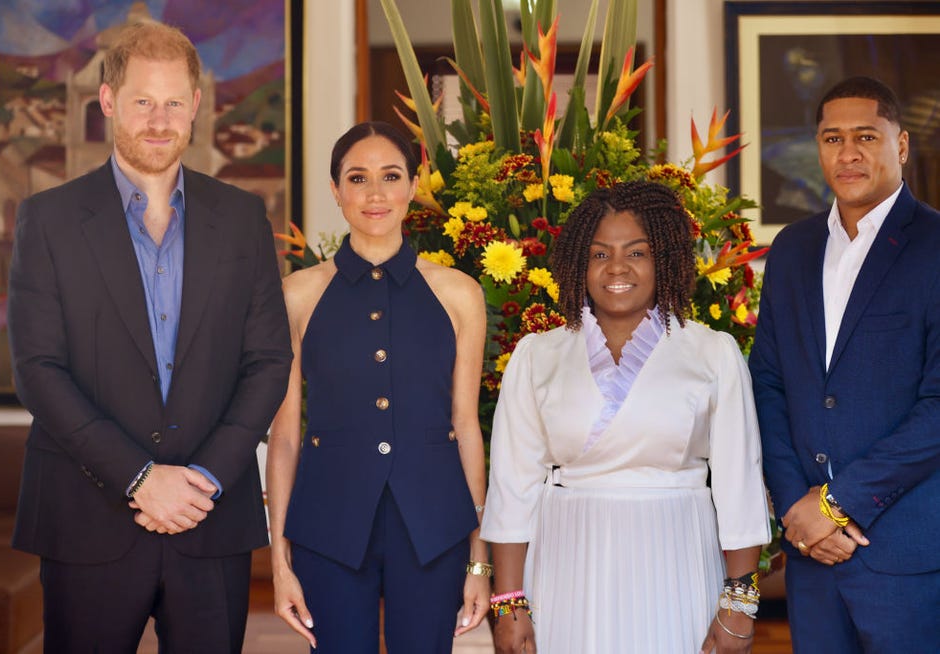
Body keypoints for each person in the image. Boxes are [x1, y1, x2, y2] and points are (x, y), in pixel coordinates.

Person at [6, 21, 292, 652]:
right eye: (142, 102)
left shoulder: (243, 219)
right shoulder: (48, 219)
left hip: (209, 518)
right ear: (107, 101)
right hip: (85, 519)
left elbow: (269, 360)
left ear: (195, 105)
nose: (158, 121)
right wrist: (141, 477)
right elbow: (38, 368)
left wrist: (203, 480)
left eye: (173, 103)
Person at [482, 181, 772, 654]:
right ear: (579, 263)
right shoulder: (538, 355)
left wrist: (739, 602)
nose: (617, 268)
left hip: (677, 556)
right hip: (565, 564)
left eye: (637, 252)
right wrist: (509, 601)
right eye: (599, 255)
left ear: (665, 260)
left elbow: (739, 485)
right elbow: (513, 487)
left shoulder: (711, 353)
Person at [265, 121, 490, 653]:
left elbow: (467, 427)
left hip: (435, 530)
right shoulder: (296, 295)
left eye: (390, 176)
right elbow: (285, 437)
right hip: (328, 527)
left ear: (414, 185)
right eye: (357, 178)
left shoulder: (460, 294)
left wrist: (479, 560)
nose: (375, 193)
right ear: (336, 191)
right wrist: (279, 561)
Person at [749, 76, 940, 653]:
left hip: (905, 555)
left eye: (866, 136)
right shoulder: (792, 248)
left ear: (901, 145)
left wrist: (836, 504)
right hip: (813, 558)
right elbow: (770, 382)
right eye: (832, 138)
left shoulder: (935, 245)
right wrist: (796, 510)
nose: (848, 153)